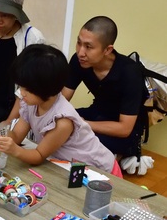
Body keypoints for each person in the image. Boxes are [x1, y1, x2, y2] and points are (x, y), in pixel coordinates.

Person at [0, 44, 123, 177]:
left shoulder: (62, 121)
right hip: (69, 166)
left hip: (99, 170)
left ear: (47, 89)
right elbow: (16, 136)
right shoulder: (30, 104)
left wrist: (15, 150)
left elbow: (39, 155)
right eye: (21, 86)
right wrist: (1, 135)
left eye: (27, 89)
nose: (21, 93)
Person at [61, 16, 146, 158]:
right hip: (96, 113)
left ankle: (121, 156)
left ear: (107, 50)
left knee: (77, 141)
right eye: (78, 43)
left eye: (88, 47)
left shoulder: (130, 73)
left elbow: (125, 128)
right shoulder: (79, 61)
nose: (80, 52)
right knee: (59, 125)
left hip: (123, 130)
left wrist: (82, 124)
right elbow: (63, 98)